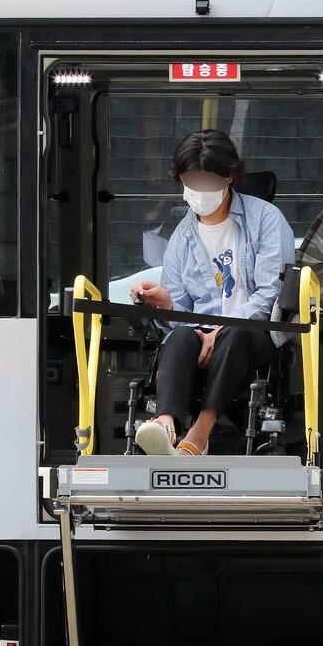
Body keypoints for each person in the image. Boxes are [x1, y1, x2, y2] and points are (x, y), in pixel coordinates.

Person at [129, 128, 294, 456]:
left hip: (254, 334)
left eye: (208, 181)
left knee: (234, 333)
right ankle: (164, 424)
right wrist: (165, 304)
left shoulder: (266, 220)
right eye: (192, 182)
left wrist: (218, 330)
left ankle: (200, 431)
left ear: (230, 176)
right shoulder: (182, 235)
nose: (199, 190)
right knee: (177, 339)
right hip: (199, 332)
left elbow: (268, 295)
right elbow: (182, 313)